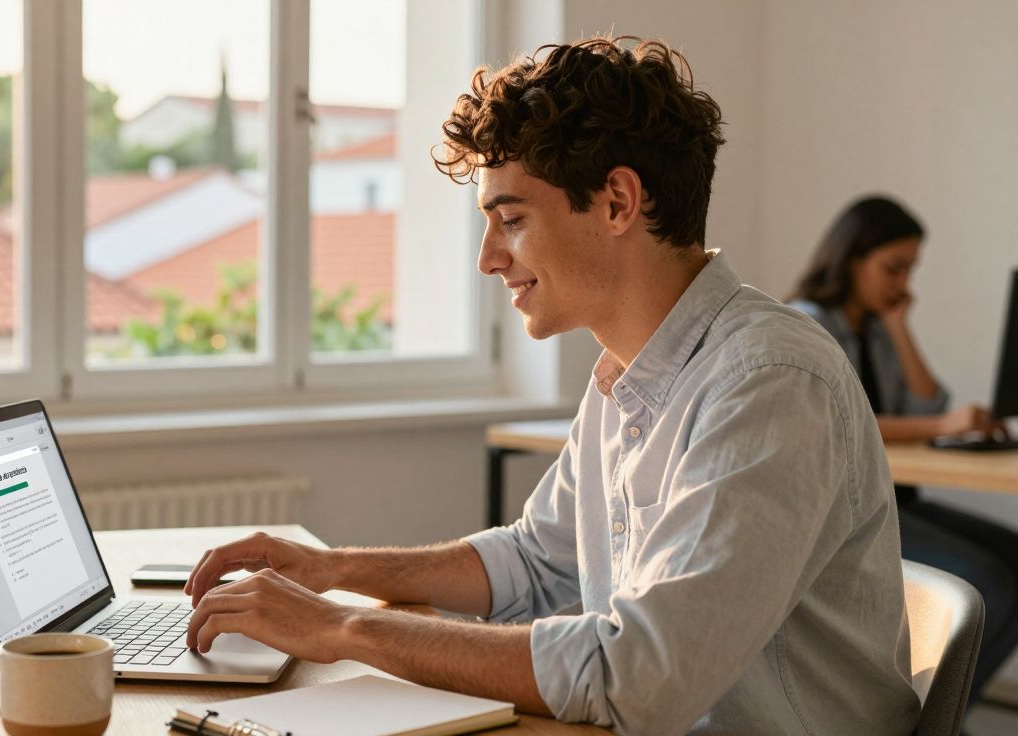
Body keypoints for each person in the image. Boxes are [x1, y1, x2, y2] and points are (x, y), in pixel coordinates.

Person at [182, 37, 920, 735]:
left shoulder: (769, 384)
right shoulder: (625, 374)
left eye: (512, 219)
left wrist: (340, 627)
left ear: (618, 203)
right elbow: (536, 559)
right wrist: (335, 569)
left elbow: (639, 676)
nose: (488, 259)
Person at [790, 195, 1018, 705]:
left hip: (899, 499)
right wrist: (943, 423)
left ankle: (948, 713)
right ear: (852, 259)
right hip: (853, 513)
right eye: (893, 269)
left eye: (910, 270)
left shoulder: (875, 327)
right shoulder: (806, 323)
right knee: (986, 589)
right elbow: (843, 417)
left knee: (1014, 557)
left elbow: (926, 400)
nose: (902, 284)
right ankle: (931, 717)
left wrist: (899, 325)